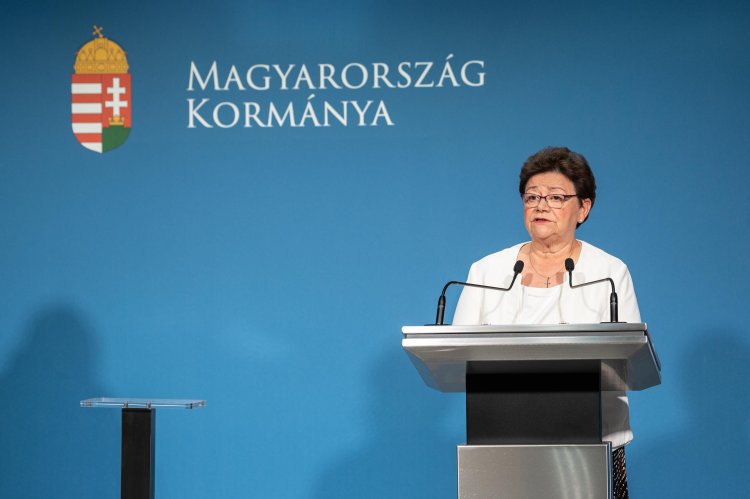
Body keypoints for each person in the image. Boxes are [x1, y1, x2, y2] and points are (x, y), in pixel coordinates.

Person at [453, 146, 639, 498]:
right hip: (500, 440)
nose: (541, 206)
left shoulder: (609, 273)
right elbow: (456, 356)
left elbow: (627, 360)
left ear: (583, 208)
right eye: (532, 197)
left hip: (593, 441)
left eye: (555, 197)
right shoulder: (487, 271)